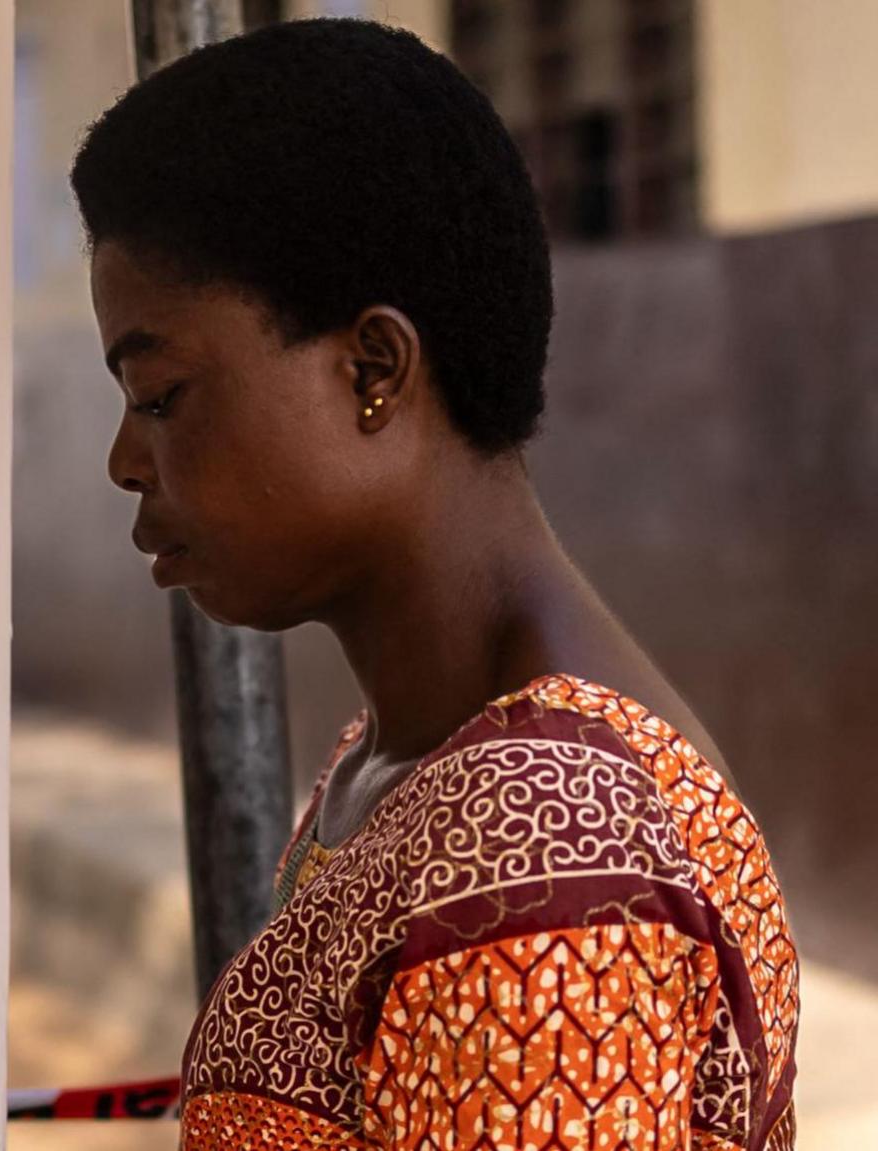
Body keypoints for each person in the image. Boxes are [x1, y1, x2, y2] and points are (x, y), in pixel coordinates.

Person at [69, 18, 798, 1151]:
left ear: (372, 371)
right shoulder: (399, 765)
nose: (124, 457)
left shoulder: (543, 841)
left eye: (159, 393)